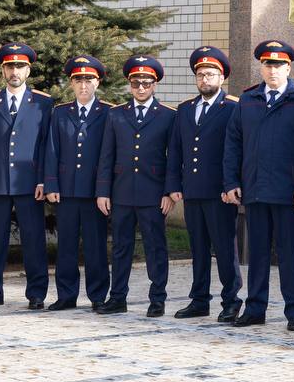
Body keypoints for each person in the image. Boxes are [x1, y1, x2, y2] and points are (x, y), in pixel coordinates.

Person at [223, 40, 294, 331]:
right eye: (268, 65)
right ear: (261, 68)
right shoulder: (248, 99)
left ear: (288, 68)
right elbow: (233, 143)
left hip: (289, 193)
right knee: (257, 253)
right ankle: (255, 309)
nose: (273, 70)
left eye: (278, 65)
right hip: (255, 189)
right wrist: (231, 181)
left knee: (291, 254)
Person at [0, 42, 52, 309]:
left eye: (19, 66)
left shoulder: (42, 102)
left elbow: (46, 145)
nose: (14, 71)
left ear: (28, 70)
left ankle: (36, 293)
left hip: (30, 182)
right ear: (3, 71)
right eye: (9, 67)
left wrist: (42, 179)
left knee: (33, 239)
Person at [167, 46, 243, 322]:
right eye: (200, 75)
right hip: (193, 190)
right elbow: (176, 150)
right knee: (198, 249)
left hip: (220, 192)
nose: (205, 79)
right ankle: (199, 300)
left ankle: (231, 300)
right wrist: (174, 185)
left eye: (210, 74)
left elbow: (237, 150)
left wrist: (231, 185)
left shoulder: (233, 107)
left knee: (224, 249)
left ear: (222, 77)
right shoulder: (185, 109)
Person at [96, 55, 176, 317]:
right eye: (136, 83)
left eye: (146, 83)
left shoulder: (168, 115)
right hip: (121, 192)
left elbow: (174, 158)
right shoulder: (116, 114)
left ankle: (157, 299)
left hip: (153, 194)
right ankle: (117, 297)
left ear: (155, 85)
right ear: (130, 84)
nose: (141, 88)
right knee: (121, 247)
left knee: (155, 247)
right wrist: (103, 192)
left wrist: (169, 192)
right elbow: (106, 156)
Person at [44, 55, 113, 311]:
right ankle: (66, 295)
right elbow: (51, 150)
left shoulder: (108, 112)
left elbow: (110, 154)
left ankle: (98, 295)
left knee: (96, 246)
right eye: (78, 81)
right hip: (67, 190)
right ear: (72, 84)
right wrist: (51, 184)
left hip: (95, 191)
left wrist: (104, 189)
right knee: (66, 246)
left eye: (88, 81)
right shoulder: (61, 112)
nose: (83, 86)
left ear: (97, 83)